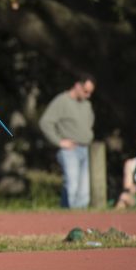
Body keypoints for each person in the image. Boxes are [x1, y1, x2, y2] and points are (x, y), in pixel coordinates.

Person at [38, 74, 96, 209]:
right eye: (86, 91)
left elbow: (89, 122)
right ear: (77, 85)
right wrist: (59, 141)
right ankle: (69, 220)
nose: (88, 95)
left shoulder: (87, 104)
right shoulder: (61, 101)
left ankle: (80, 221)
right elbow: (45, 122)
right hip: (70, 150)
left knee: (84, 190)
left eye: (90, 93)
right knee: (72, 186)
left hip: (86, 149)